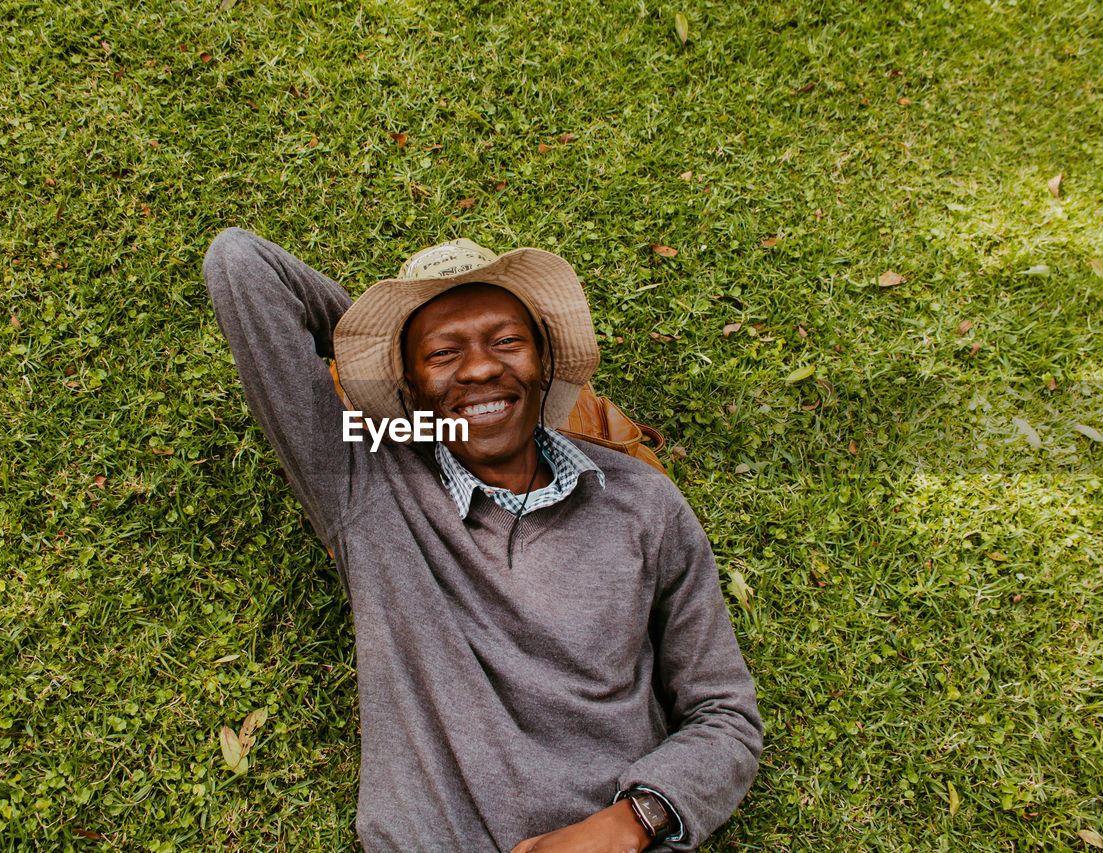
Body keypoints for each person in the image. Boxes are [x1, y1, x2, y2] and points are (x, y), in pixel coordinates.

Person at [202, 229, 761, 852]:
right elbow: (241, 264)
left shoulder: (642, 504)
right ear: (407, 387)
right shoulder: (365, 481)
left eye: (506, 342)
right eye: (444, 354)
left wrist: (630, 823)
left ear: (544, 361)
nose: (480, 367)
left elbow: (726, 718)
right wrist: (388, 361)